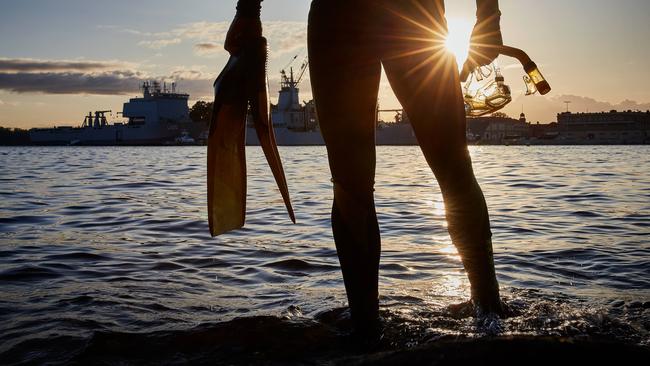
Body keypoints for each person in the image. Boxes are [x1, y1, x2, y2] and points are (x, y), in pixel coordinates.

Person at [225, 0, 504, 335]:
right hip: (386, 16)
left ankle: (373, 332)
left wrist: (248, 12)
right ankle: (485, 317)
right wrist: (488, 15)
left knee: (370, 181)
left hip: (354, 17)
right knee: (435, 172)